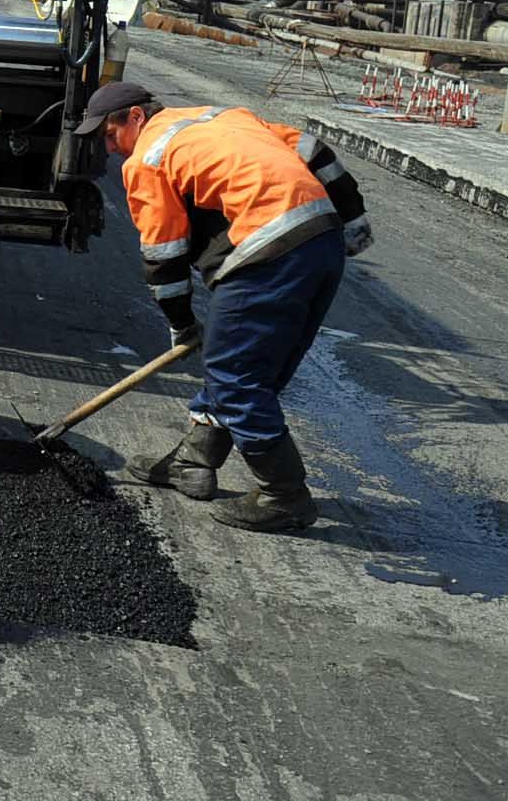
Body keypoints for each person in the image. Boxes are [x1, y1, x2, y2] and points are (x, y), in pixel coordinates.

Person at [78, 81, 373, 532]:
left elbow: (163, 255)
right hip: (321, 244)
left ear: (136, 117)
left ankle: (284, 495)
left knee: (237, 377)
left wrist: (181, 325)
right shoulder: (220, 116)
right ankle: (194, 462)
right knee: (247, 365)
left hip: (267, 247)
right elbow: (313, 150)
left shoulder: (147, 159)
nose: (111, 149)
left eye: (110, 136)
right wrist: (353, 220)